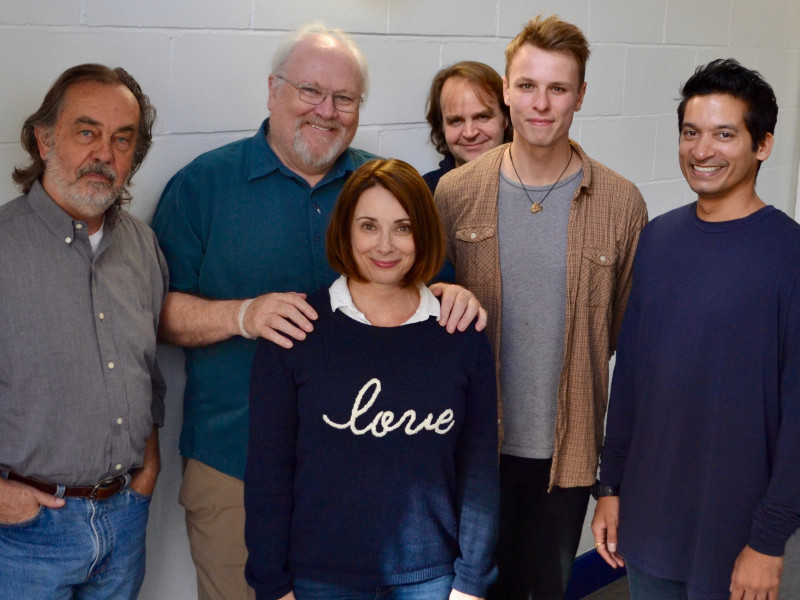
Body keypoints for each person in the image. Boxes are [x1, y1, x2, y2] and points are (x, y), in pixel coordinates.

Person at [152, 22, 487, 600]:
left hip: (373, 485)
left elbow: (430, 287)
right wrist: (242, 316)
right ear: (272, 90)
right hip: (235, 465)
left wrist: (454, 294)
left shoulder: (384, 186)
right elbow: (155, 314)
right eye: (310, 91)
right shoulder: (202, 187)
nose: (326, 111)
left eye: (345, 98)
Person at [435, 15, 648, 599]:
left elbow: (629, 346)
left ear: (580, 96)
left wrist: (617, 479)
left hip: (568, 453)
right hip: (470, 445)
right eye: (527, 85)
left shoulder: (622, 204)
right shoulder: (455, 194)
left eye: (558, 88)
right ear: (506, 90)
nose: (541, 104)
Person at [592, 58, 800, 600]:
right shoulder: (658, 239)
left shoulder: (791, 255)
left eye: (724, 134)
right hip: (651, 521)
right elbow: (631, 375)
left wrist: (769, 541)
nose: (702, 150)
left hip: (737, 537)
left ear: (763, 145)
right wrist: (609, 487)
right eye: (691, 132)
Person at [245, 158, 499, 600]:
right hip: (317, 579)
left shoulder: (459, 333)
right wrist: (272, 584)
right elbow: (269, 471)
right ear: (345, 230)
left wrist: (471, 584)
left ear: (424, 233)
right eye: (368, 226)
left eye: (403, 227)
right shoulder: (296, 333)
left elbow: (479, 470)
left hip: (433, 580)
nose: (385, 245)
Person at [0, 64, 166, 599]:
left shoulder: (141, 245)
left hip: (125, 522)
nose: (105, 154)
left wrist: (148, 467)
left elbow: (147, 366)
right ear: (43, 139)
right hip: (22, 535)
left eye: (123, 139)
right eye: (87, 131)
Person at [423, 61, 512, 192]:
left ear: (505, 119)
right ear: (442, 126)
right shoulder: (423, 194)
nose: (470, 133)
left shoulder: (531, 187)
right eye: (456, 121)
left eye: (482, 117)